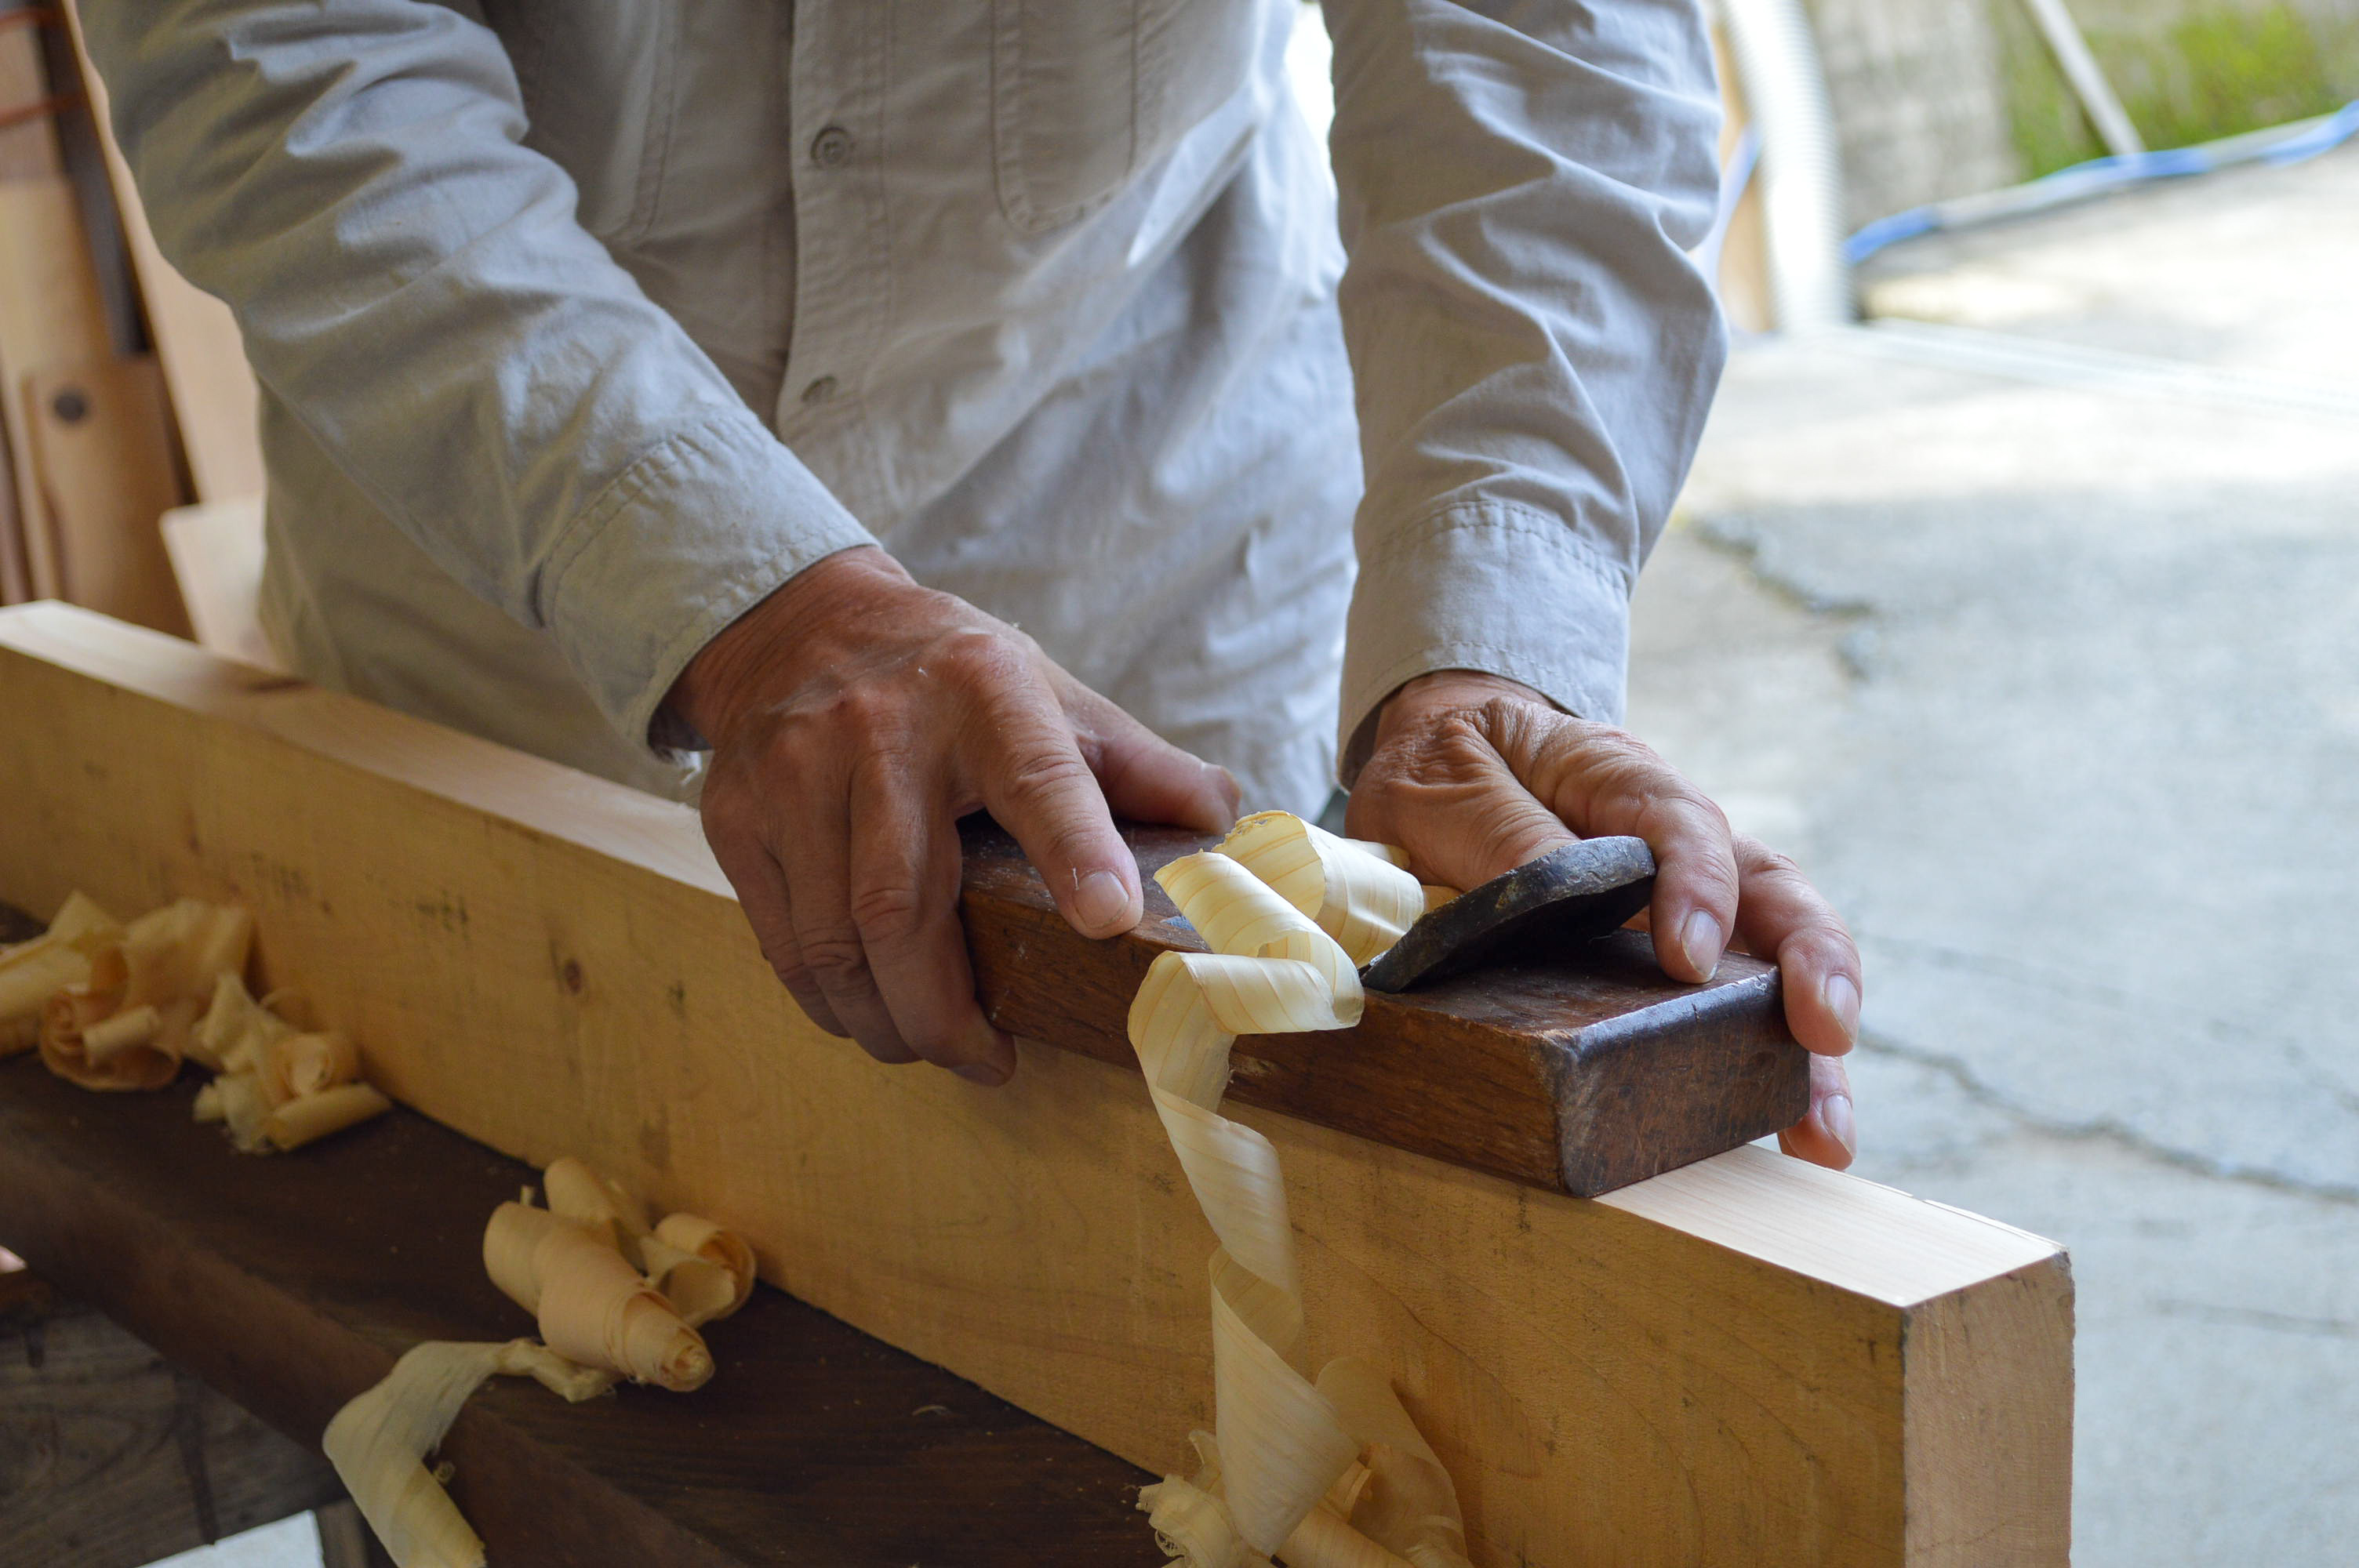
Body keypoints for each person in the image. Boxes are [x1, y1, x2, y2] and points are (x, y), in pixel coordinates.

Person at [84, 0, 1858, 1166]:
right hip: (508, 621)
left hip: (1141, 543)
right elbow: (284, 59)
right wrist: (733, 589)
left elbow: (1531, 42)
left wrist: (1491, 637)